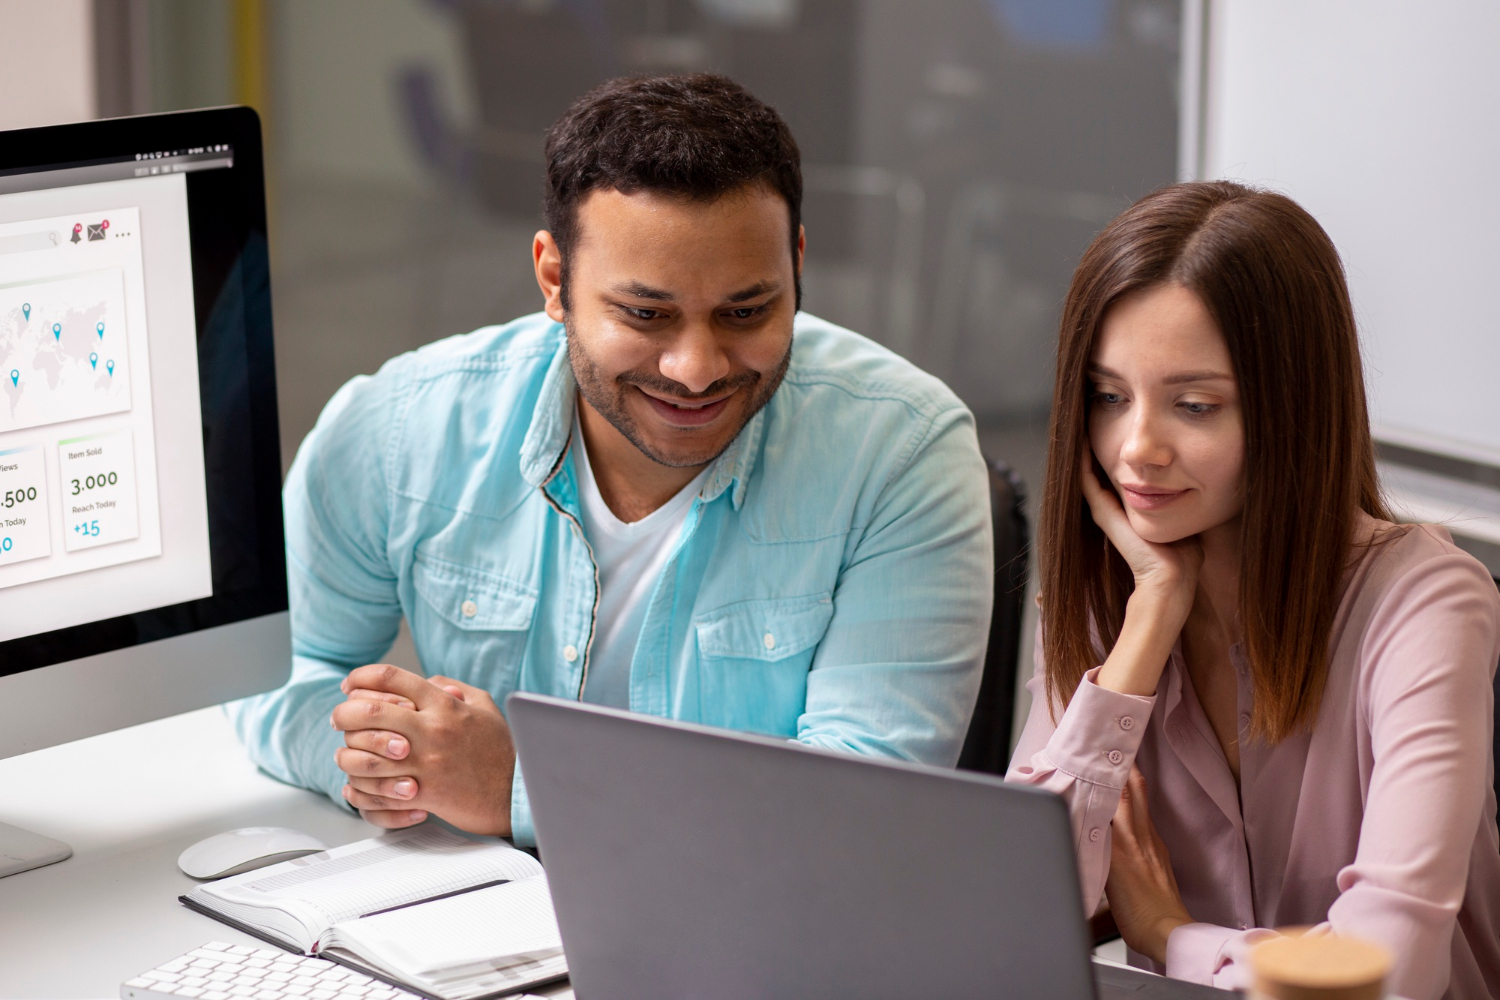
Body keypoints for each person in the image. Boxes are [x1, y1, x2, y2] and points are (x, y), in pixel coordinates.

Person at [228, 74, 993, 847]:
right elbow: (269, 674)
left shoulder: (903, 449)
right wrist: (388, 761)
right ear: (555, 281)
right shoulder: (400, 427)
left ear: (797, 263)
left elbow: (865, 805)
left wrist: (518, 790)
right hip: (463, 927)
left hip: (757, 940)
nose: (697, 367)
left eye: (746, 311)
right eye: (646, 315)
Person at [1008, 181, 1500, 999]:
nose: (1135, 450)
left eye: (1194, 406)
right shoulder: (1116, 598)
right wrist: (1148, 624)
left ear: (1293, 410)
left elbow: (1386, 978)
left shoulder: (1427, 605)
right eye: (1108, 397)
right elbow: (1015, 916)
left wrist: (1169, 935)